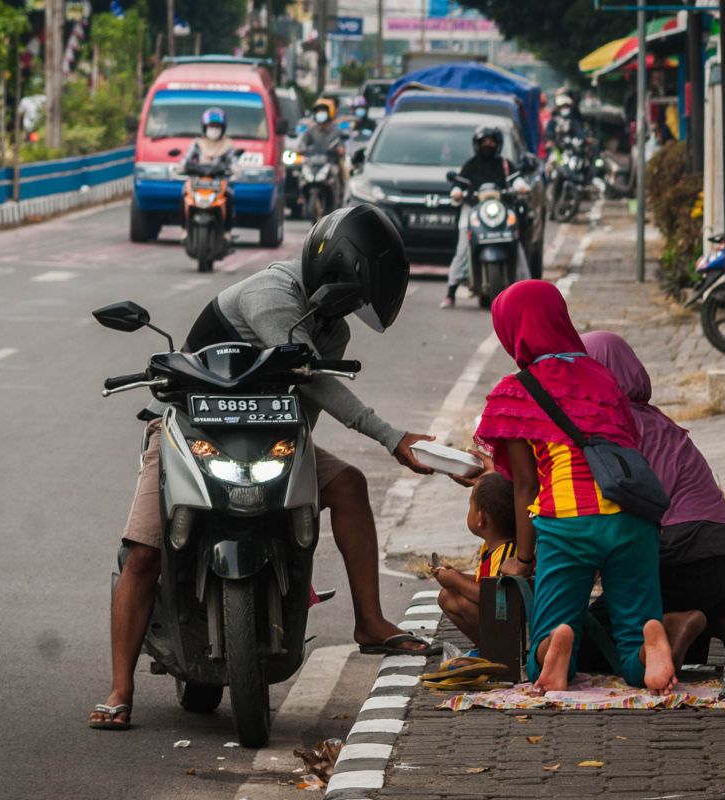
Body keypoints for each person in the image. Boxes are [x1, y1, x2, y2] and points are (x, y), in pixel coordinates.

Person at [88, 205, 439, 730]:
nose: (356, 303)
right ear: (334, 273)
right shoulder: (271, 295)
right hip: (190, 432)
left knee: (348, 484)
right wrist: (391, 438)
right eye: (355, 289)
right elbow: (310, 377)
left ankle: (369, 620)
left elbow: (306, 416)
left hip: (267, 445)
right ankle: (119, 688)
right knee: (142, 552)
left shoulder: (332, 331)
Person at [473, 280, 676, 695]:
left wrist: (523, 559)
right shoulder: (604, 378)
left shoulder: (515, 392)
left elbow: (526, 485)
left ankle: (555, 646)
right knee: (631, 645)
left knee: (541, 650)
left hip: (567, 523)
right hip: (631, 517)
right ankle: (649, 648)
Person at [581, 331, 725, 666]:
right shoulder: (658, 420)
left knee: (588, 641)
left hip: (682, 564)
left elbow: (607, 518)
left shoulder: (613, 428)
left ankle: (673, 622)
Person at [440, 126, 530, 309]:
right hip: (472, 211)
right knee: (463, 248)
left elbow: (517, 180)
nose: (488, 145)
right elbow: (458, 185)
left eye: (492, 141)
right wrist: (457, 192)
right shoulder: (470, 165)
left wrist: (521, 186)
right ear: (477, 144)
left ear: (498, 144)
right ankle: (451, 293)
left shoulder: (505, 164)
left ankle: (526, 291)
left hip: (501, 211)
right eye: (485, 142)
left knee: (516, 243)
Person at [430, 473, 517, 646]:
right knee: (447, 596)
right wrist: (456, 575)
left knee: (459, 599)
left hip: (510, 624)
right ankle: (485, 647)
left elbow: (494, 596)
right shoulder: (491, 548)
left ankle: (498, 651)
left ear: (480, 518)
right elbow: (482, 582)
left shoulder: (507, 553)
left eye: (470, 505)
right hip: (499, 618)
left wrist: (456, 580)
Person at [182, 107, 237, 231]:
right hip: (198, 181)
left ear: (223, 128)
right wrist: (185, 167)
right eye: (211, 126)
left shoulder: (227, 145)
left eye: (217, 126)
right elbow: (184, 161)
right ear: (205, 127)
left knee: (229, 196)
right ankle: (185, 229)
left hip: (218, 181)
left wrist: (232, 169)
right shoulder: (197, 144)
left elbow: (234, 163)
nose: (214, 129)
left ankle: (227, 232)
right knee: (183, 194)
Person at [298, 99, 348, 193]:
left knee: (343, 170)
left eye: (323, 112)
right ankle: (300, 196)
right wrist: (300, 149)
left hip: (331, 161)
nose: (320, 114)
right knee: (299, 173)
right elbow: (303, 143)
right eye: (318, 112)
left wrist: (340, 149)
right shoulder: (311, 131)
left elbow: (341, 143)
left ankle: (343, 192)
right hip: (314, 162)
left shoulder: (336, 131)